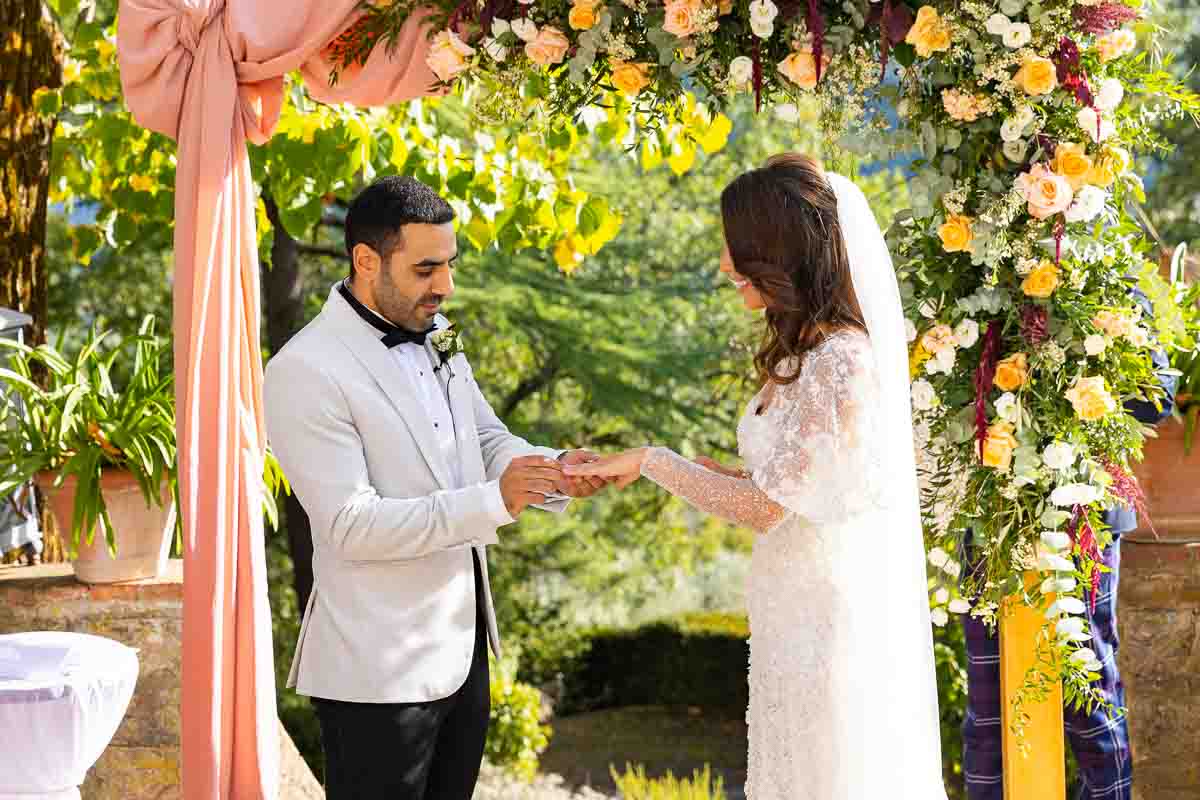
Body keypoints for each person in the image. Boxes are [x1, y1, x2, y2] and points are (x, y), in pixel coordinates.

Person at [566, 154, 948, 799]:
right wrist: (710, 471)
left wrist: (654, 462)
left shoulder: (841, 361)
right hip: (791, 609)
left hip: (827, 622)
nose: (724, 264)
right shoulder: (807, 352)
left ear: (781, 252)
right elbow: (793, 484)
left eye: (737, 249)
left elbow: (768, 509)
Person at [263, 175, 606, 800]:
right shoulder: (302, 371)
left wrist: (553, 469)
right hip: (377, 674)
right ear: (366, 261)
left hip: (462, 656)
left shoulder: (439, 331)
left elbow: (485, 439)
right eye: (425, 269)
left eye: (448, 264)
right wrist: (495, 500)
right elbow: (350, 526)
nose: (444, 285)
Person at [959, 288, 1176, 800]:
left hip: (1086, 514)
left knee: (1090, 690)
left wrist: (1086, 388)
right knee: (989, 706)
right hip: (991, 513)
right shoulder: (970, 281)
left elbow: (1158, 396)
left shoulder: (1112, 286)